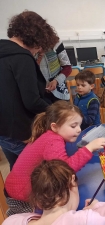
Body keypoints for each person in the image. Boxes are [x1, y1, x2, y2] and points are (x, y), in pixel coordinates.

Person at [4, 101, 105, 216]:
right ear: (55, 126)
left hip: (16, 188)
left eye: (79, 125)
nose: (78, 129)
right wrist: (89, 148)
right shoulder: (52, 141)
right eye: (73, 126)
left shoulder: (50, 136)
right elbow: (64, 170)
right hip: (21, 195)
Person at [0, 11, 59, 170]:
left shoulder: (3, 50)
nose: (38, 52)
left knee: (17, 169)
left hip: (3, 130)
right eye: (39, 48)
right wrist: (58, 111)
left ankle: (14, 196)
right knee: (41, 171)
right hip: (19, 131)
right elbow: (31, 101)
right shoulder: (22, 57)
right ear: (37, 38)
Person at [3, 159, 105, 225]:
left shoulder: (11, 220)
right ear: (72, 182)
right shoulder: (85, 220)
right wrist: (98, 207)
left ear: (37, 201)